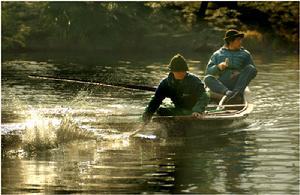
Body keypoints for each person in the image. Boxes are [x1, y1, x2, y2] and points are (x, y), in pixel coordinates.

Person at [142, 54, 209, 124]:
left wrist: (197, 110)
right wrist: (147, 116)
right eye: (178, 72)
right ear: (172, 71)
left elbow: (204, 96)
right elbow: (156, 100)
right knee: (160, 111)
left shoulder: (194, 81)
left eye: (183, 71)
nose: (181, 73)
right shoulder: (166, 83)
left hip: (192, 112)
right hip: (178, 110)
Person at [204, 29, 257, 102]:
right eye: (238, 40)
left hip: (238, 83)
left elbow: (253, 72)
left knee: (251, 68)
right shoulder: (217, 54)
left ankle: (236, 93)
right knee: (207, 78)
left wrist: (240, 72)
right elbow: (208, 72)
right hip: (222, 84)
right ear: (230, 41)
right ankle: (228, 93)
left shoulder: (245, 54)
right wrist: (218, 67)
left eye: (241, 40)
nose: (240, 42)